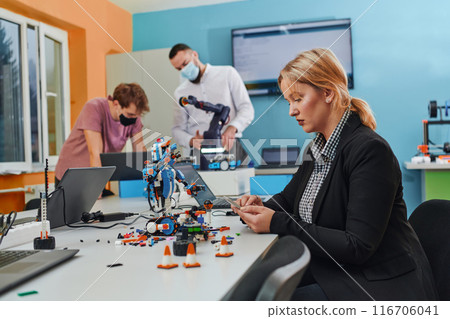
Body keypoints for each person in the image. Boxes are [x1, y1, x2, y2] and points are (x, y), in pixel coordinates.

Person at [233, 48, 438, 301]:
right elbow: (287, 201)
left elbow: (357, 246)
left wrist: (275, 222)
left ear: (328, 93)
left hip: (378, 284)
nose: (291, 111)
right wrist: (258, 207)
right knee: (251, 288)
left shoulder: (369, 150)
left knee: (268, 300)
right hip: (339, 271)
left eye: (298, 99)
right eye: (289, 101)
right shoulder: (317, 147)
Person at [169, 43, 254, 160]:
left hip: (229, 146)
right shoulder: (180, 93)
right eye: (179, 68)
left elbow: (246, 108)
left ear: (194, 55)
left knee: (240, 177)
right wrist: (191, 140)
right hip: (200, 151)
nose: (184, 70)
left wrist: (232, 128)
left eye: (185, 63)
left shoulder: (227, 73)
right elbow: (177, 129)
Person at [55, 83, 149, 186]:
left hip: (95, 174)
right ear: (116, 104)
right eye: (130, 114)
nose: (133, 119)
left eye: (136, 116)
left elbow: (140, 151)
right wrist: (96, 191)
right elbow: (95, 154)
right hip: (72, 175)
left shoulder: (133, 117)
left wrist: (148, 181)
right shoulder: (94, 108)